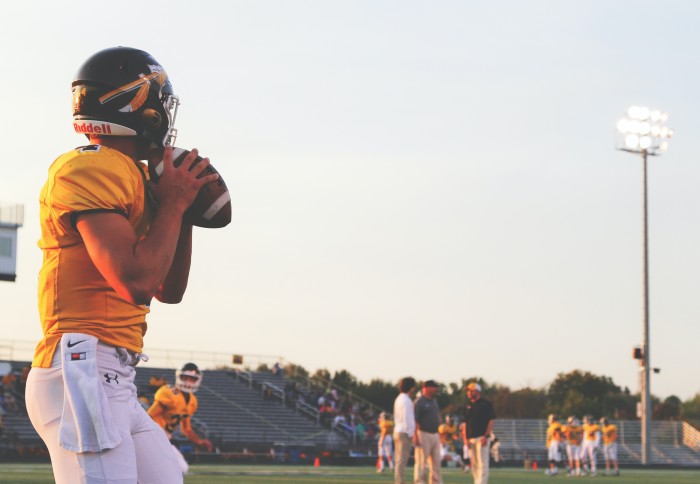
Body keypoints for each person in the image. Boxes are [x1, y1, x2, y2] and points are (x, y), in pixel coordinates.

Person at [25, 46, 219, 484]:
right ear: (138, 104)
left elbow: (168, 289)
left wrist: (182, 211)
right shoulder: (89, 167)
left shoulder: (133, 175)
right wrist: (171, 203)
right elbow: (135, 281)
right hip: (82, 364)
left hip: (114, 373)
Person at [148, 363, 214, 475]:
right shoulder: (169, 392)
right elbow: (149, 416)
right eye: (185, 377)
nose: (188, 381)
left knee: (182, 468)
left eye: (192, 378)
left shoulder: (192, 401)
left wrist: (199, 441)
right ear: (179, 377)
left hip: (165, 440)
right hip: (152, 436)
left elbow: (186, 429)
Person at [461, 382, 496, 484]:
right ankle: (477, 482)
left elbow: (491, 420)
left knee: (482, 463)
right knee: (474, 464)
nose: (469, 393)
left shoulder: (486, 404)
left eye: (471, 391)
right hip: (471, 438)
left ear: (477, 391)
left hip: (482, 437)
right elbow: (465, 423)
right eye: (468, 391)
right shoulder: (468, 405)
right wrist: (465, 439)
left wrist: (486, 435)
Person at [413, 380, 442, 484]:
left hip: (435, 434)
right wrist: (415, 435)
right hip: (423, 433)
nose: (436, 390)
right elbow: (415, 420)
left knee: (436, 463)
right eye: (434, 387)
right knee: (421, 462)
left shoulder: (434, 401)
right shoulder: (419, 402)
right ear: (427, 388)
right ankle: (419, 482)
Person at [393, 376, 416, 484]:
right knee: (402, 460)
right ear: (411, 388)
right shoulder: (406, 400)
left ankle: (399, 481)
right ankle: (399, 482)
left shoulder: (399, 398)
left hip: (398, 430)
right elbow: (408, 418)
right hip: (404, 432)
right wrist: (411, 433)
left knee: (399, 459)